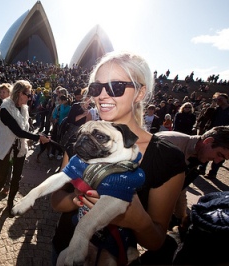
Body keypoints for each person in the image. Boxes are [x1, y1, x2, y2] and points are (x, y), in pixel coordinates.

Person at [50, 51, 186, 265]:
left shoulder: (167, 159)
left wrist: (139, 221)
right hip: (65, 248)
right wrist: (77, 199)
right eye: (96, 87)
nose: (102, 96)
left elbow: (156, 241)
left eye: (116, 87)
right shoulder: (80, 138)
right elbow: (56, 198)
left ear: (140, 93)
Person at [0, 80, 50, 217]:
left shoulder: (24, 108)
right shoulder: (5, 108)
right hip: (7, 149)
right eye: (28, 94)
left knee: (16, 178)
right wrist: (38, 138)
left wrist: (38, 134)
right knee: (1, 178)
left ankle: (10, 203)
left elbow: (26, 127)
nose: (30, 97)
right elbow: (17, 131)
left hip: (20, 149)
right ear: (20, 93)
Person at [156, 126, 229, 233]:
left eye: (223, 159)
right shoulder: (168, 143)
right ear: (208, 141)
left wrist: (182, 219)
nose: (217, 161)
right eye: (219, 154)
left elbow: (180, 188)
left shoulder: (196, 156)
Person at [198, 93, 229, 179]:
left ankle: (213, 172)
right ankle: (202, 168)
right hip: (213, 133)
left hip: (225, 135)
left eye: (221, 99)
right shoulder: (215, 109)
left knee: (220, 154)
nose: (218, 101)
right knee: (208, 149)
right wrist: (213, 105)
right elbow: (206, 117)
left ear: (226, 99)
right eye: (217, 99)